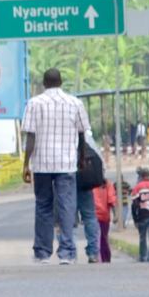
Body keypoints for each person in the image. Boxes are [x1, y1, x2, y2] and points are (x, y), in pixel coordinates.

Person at [21, 68, 90, 265]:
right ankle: (67, 252)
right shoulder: (75, 103)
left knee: (43, 205)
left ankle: (42, 253)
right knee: (67, 206)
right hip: (67, 163)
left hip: (41, 164)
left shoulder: (34, 103)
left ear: (44, 83)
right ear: (61, 82)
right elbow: (82, 134)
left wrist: (26, 164)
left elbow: (30, 136)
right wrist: (82, 157)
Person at [76, 132, 105, 263]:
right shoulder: (87, 136)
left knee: (66, 217)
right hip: (85, 179)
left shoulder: (60, 133)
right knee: (90, 216)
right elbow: (98, 156)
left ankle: (69, 253)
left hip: (66, 179)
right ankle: (93, 252)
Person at [131, 166, 149, 262]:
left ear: (141, 176)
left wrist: (135, 219)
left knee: (142, 237)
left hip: (142, 215)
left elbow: (134, 205)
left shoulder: (137, 187)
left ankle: (143, 256)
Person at [92, 176, 117, 263]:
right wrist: (115, 215)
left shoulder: (91, 183)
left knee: (95, 238)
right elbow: (112, 200)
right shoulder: (108, 184)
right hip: (104, 216)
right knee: (103, 238)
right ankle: (105, 258)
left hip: (93, 216)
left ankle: (96, 257)